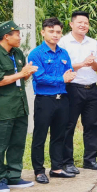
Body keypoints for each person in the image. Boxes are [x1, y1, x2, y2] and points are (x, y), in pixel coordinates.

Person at [0, 21, 37, 192]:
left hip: (20, 104)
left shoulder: (17, 53)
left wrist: (27, 74)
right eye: (17, 34)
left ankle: (14, 176)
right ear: (6, 36)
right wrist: (21, 74)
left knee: (17, 142)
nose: (19, 37)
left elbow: (20, 79)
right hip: (3, 107)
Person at [28, 18, 78, 183]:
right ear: (43, 32)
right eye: (51, 31)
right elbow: (40, 77)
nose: (55, 35)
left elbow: (69, 72)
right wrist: (61, 79)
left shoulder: (63, 53)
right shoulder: (36, 53)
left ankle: (56, 168)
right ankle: (39, 170)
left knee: (59, 135)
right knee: (40, 135)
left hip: (62, 99)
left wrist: (65, 78)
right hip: (45, 100)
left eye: (58, 32)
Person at [60, 11, 97, 171]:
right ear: (71, 24)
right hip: (72, 88)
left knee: (93, 125)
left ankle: (90, 160)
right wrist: (82, 63)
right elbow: (62, 66)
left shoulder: (92, 43)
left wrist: (92, 64)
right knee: (68, 125)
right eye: (80, 22)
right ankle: (67, 162)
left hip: (91, 88)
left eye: (86, 23)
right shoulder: (64, 42)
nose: (83, 25)